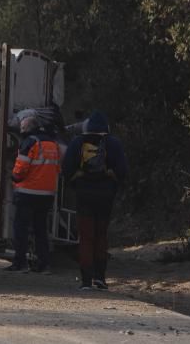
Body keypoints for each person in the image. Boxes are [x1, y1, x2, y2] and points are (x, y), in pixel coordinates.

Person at [62, 110, 128, 290]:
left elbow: (66, 169)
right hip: (106, 196)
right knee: (101, 236)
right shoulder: (113, 143)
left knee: (86, 237)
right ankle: (100, 278)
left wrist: (78, 184)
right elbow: (122, 170)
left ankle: (85, 281)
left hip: (84, 195)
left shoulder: (78, 143)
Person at [4, 113, 62, 273]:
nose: (21, 131)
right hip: (47, 195)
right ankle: (44, 264)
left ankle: (20, 262)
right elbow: (57, 168)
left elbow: (21, 169)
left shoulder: (29, 143)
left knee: (21, 228)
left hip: (27, 193)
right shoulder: (53, 144)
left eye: (22, 128)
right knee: (41, 230)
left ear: (27, 129)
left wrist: (13, 177)